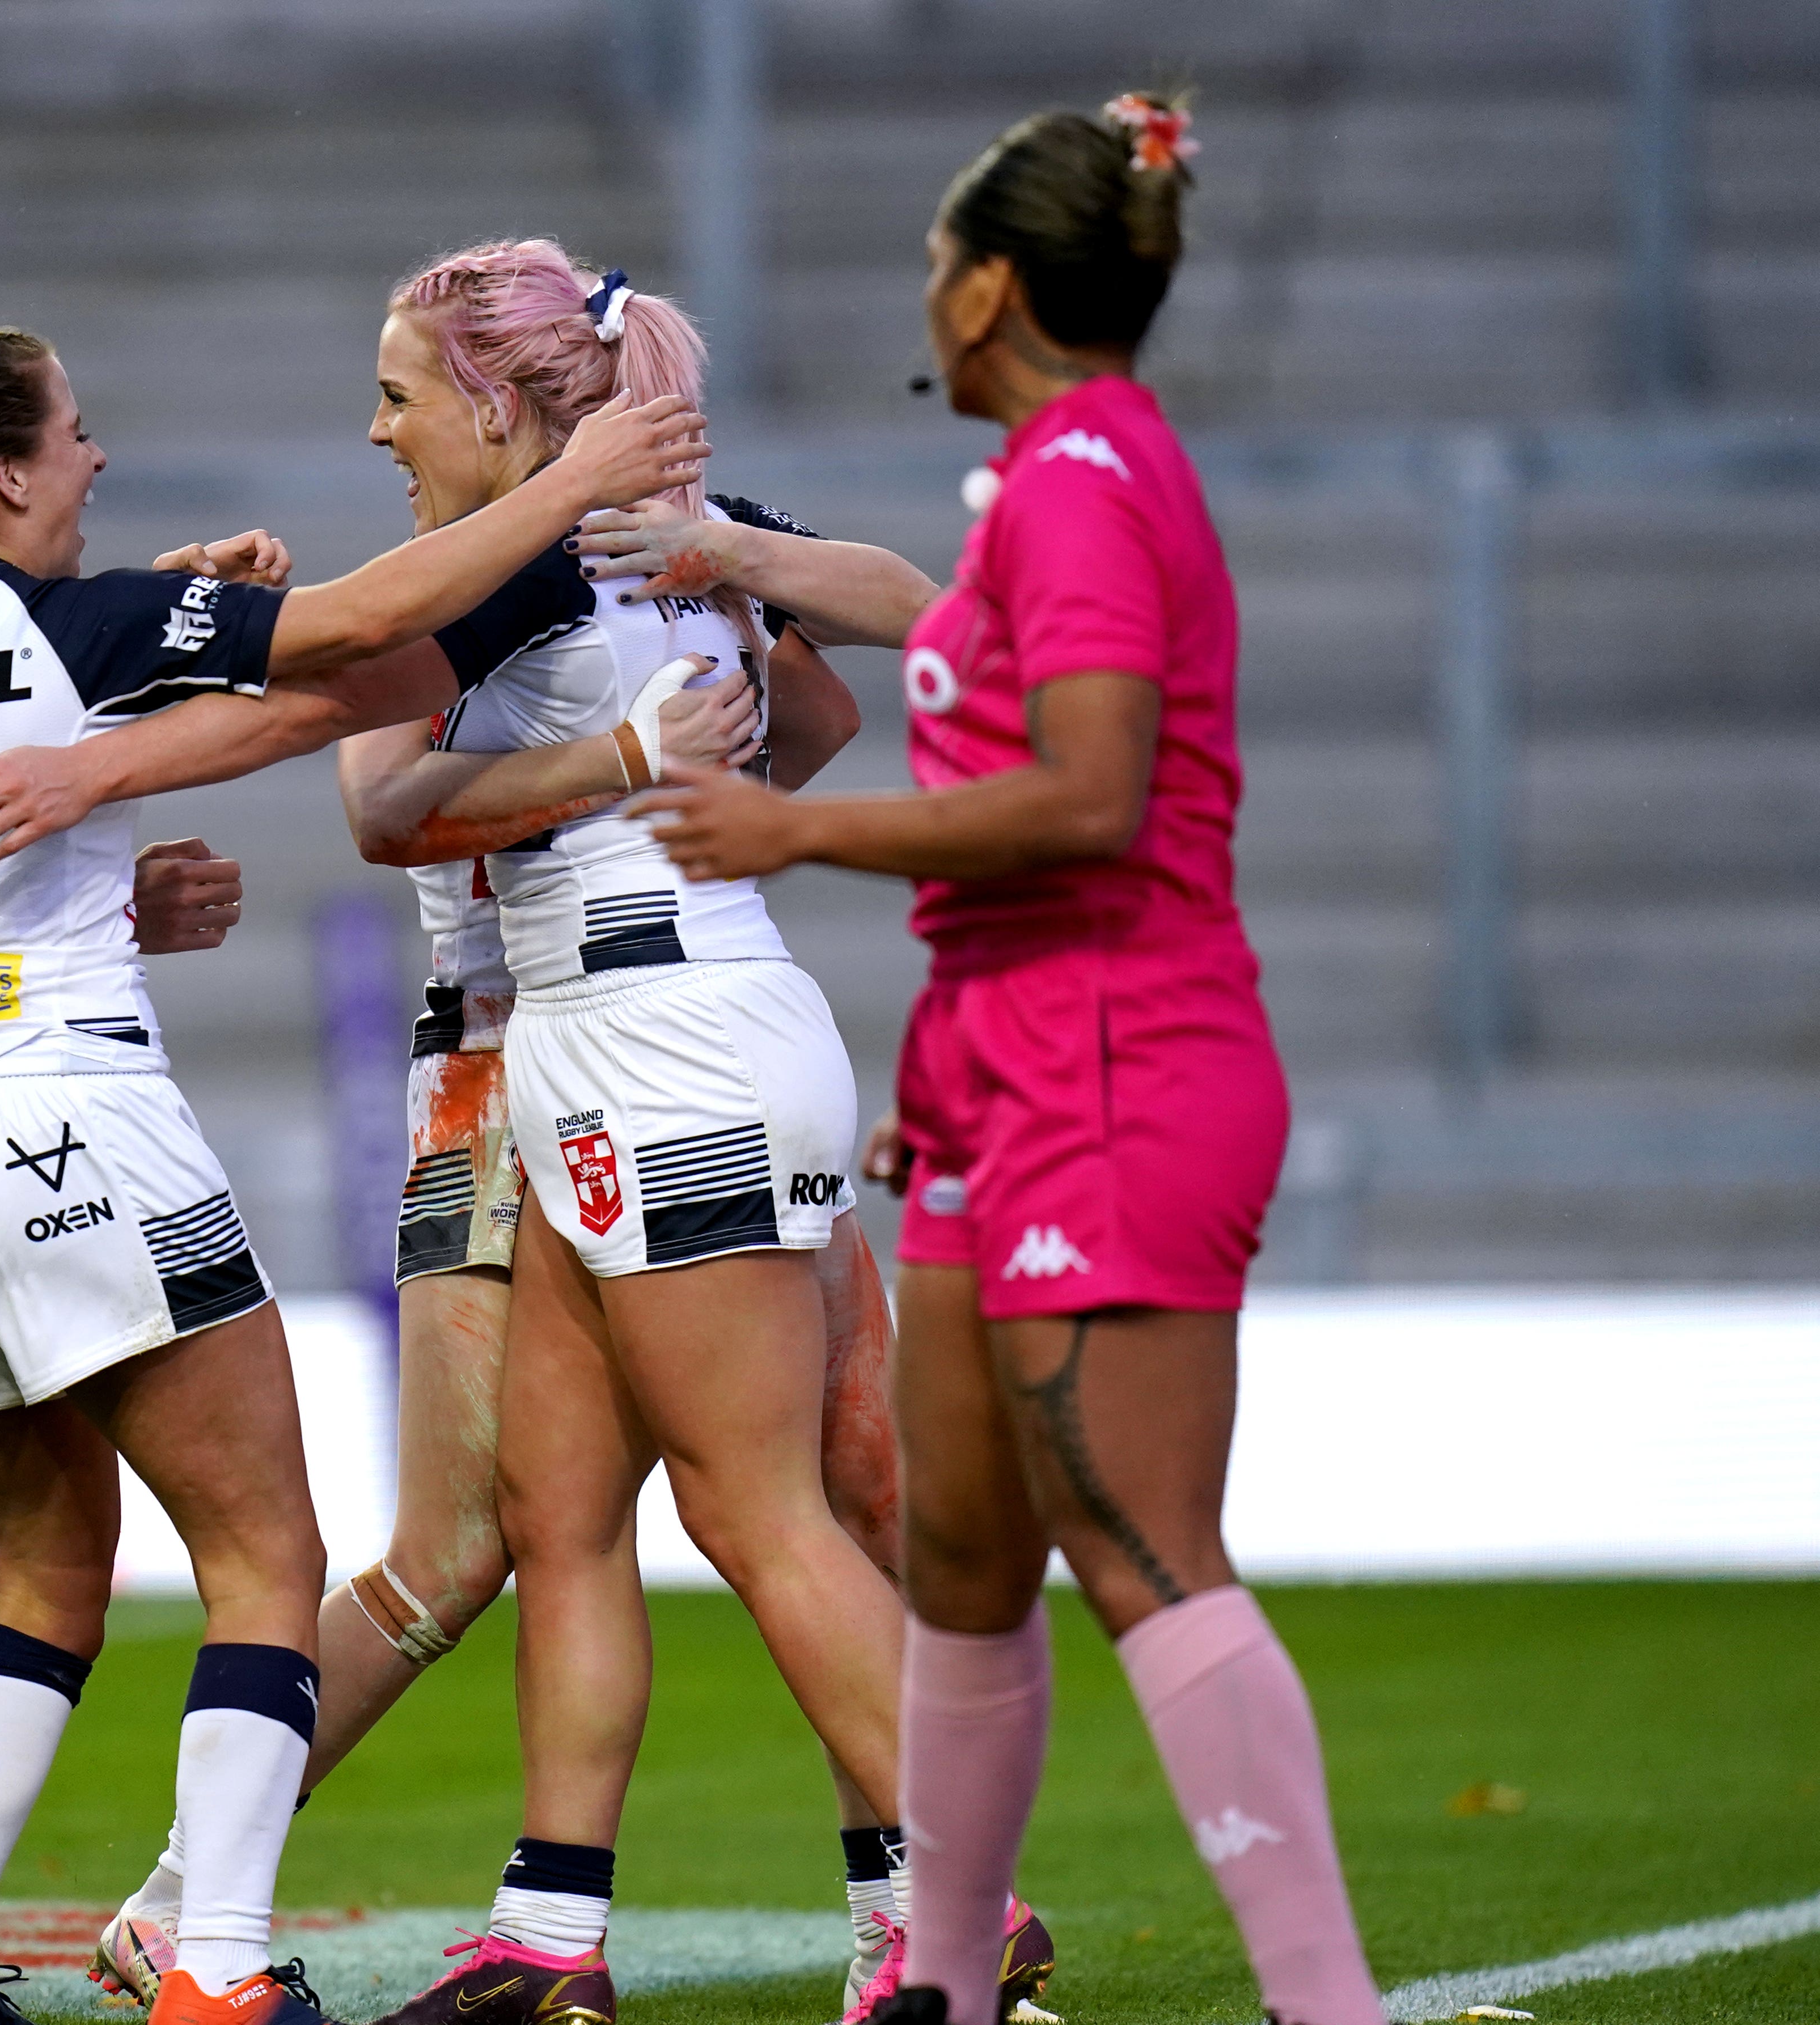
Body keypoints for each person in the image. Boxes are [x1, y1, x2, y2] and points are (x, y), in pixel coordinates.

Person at [0, 242, 1053, 2025]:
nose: (374, 426)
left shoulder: (526, 565)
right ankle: (581, 1922)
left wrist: (93, 768)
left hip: (602, 1047)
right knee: (620, 1509)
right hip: (634, 1035)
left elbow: (346, 753)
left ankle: (923, 1908)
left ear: (500, 399)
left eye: (395, 393)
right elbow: (850, 668)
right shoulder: (643, 538)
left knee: (683, 1516)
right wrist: (696, 741)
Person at [0, 323, 709, 2025]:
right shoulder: (73, 626)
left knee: (48, 1565)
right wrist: (581, 479)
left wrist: (28, 894)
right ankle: (215, 1969)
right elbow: (361, 631)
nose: (95, 455)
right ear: (3, 471)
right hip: (64, 1117)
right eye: (73, 431)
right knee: (264, 1555)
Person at [621, 98, 1386, 2025]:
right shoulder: (1061, 477)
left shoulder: (1076, 488)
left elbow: (1090, 796)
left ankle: (1327, 2008)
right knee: (961, 1561)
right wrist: (727, 548)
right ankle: (939, 1992)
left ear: (982, 286)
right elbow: (944, 630)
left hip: (1122, 1053)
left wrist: (796, 831)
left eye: (928, 277)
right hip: (1008, 1061)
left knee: (1135, 1547)